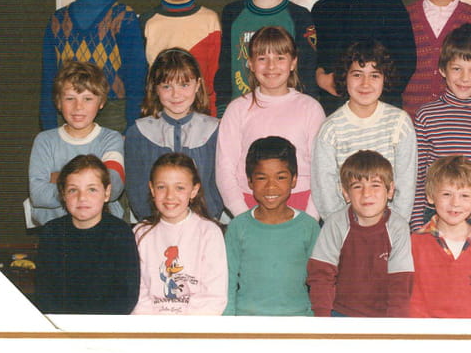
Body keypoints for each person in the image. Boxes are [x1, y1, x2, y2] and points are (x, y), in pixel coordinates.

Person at [39, 0, 147, 133]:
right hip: (68, 111)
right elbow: (49, 81)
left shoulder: (123, 18)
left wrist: (132, 130)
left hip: (113, 114)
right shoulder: (57, 21)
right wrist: (49, 130)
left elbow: (136, 79)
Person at [216, 26, 324, 219]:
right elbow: (225, 169)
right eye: (262, 59)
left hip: (301, 204)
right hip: (249, 204)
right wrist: (243, 217)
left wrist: (309, 219)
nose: (271, 66)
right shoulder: (237, 109)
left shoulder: (310, 108)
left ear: (293, 63)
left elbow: (321, 169)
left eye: (280, 58)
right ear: (250, 63)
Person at [409, 24, 471, 232]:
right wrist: (417, 226)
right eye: (457, 69)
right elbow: (418, 176)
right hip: (434, 215)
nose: (464, 78)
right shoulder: (426, 115)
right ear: (443, 70)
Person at [311, 39, 416, 222]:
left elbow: (406, 185)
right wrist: (343, 228)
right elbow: (324, 189)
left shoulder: (400, 123)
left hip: (390, 226)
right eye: (357, 75)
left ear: (384, 78)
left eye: (374, 75)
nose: (365, 83)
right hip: (345, 228)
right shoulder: (330, 129)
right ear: (344, 76)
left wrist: (394, 227)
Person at [213, 0, 317, 116]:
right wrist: (222, 111)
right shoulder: (233, 13)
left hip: (287, 113)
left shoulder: (299, 16)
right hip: (241, 112)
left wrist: (305, 113)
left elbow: (307, 72)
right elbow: (224, 67)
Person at [307, 150, 414, 317]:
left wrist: (394, 326)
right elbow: (321, 276)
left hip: (384, 316)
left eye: (375, 185)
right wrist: (323, 321)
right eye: (357, 186)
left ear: (390, 190)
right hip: (340, 313)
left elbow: (401, 283)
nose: (366, 194)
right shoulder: (335, 224)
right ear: (346, 193)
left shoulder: (398, 228)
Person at [224, 136, 320, 316]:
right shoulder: (238, 227)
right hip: (247, 320)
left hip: (297, 319)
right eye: (262, 178)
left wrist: (314, 321)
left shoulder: (309, 227)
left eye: (280, 177)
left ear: (294, 180)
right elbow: (227, 279)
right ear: (250, 181)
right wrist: (229, 322)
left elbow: (319, 281)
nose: (270, 187)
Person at [124, 48, 223, 222]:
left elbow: (219, 186)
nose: (176, 95)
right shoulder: (138, 133)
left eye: (184, 85)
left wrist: (205, 222)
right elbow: (136, 190)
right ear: (155, 88)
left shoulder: (215, 130)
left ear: (198, 85)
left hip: (205, 224)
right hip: (154, 225)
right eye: (166, 86)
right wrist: (154, 224)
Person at [35, 154, 139, 314]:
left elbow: (126, 296)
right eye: (73, 190)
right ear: (63, 194)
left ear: (106, 192)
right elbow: (45, 294)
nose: (82, 197)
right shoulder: (51, 233)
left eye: (92, 189)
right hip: (63, 323)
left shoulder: (120, 233)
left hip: (107, 323)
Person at [29, 61, 126, 227]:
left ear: (101, 102)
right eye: (70, 98)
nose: (78, 107)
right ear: (58, 102)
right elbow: (38, 194)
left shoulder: (111, 139)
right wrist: (92, 186)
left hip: (102, 228)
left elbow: (114, 188)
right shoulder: (44, 141)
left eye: (87, 99)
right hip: (55, 228)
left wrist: (60, 178)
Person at [409, 155, 471, 318]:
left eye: (464, 196)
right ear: (431, 197)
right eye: (446, 194)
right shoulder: (416, 242)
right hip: (428, 331)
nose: (455, 203)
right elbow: (413, 297)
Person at [133, 153, 227, 315]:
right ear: (152, 189)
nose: (170, 196)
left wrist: (184, 326)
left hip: (195, 325)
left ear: (194, 190)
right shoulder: (140, 233)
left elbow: (214, 295)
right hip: (150, 324)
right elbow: (137, 291)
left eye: (180, 188)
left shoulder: (209, 232)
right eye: (161, 187)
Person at [138, 0, 221, 116]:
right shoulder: (147, 22)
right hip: (159, 115)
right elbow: (141, 78)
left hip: (200, 115)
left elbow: (214, 79)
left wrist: (213, 117)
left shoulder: (210, 20)